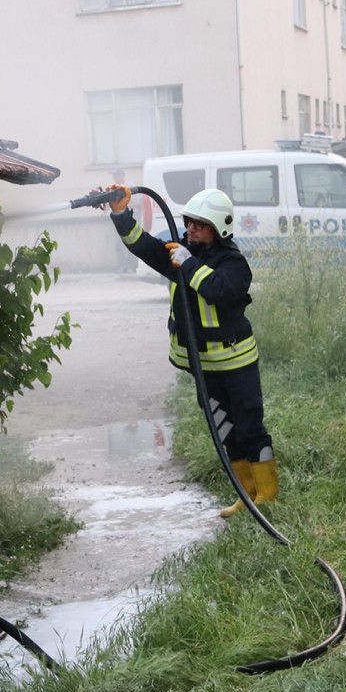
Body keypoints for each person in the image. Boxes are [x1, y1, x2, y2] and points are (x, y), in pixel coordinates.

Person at [96, 184, 277, 518]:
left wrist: (188, 263)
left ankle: (268, 494)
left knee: (250, 429)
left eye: (199, 224)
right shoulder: (181, 255)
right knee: (226, 431)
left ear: (219, 229)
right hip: (203, 367)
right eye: (189, 221)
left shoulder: (234, 264)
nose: (191, 228)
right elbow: (143, 245)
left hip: (237, 363)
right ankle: (247, 495)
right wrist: (121, 213)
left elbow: (219, 289)